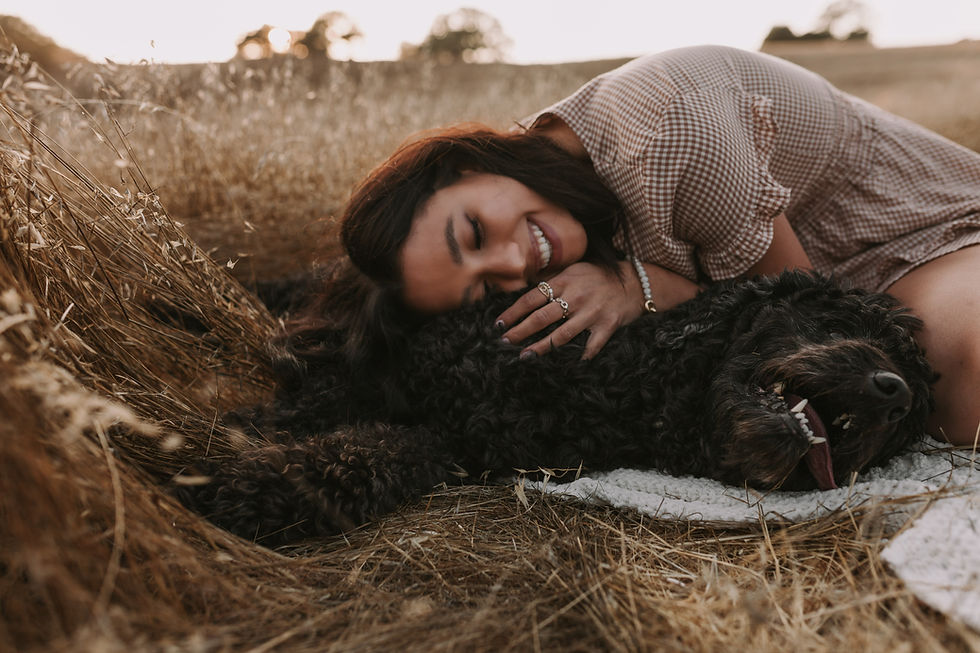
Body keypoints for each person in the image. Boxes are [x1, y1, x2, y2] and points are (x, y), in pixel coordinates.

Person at [333, 45, 980, 446]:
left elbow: (811, 322)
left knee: (964, 387)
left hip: (924, 234)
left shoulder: (669, 135)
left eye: (473, 231)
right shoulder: (561, 196)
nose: (510, 263)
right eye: (483, 287)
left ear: (468, 163)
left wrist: (647, 286)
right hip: (847, 278)